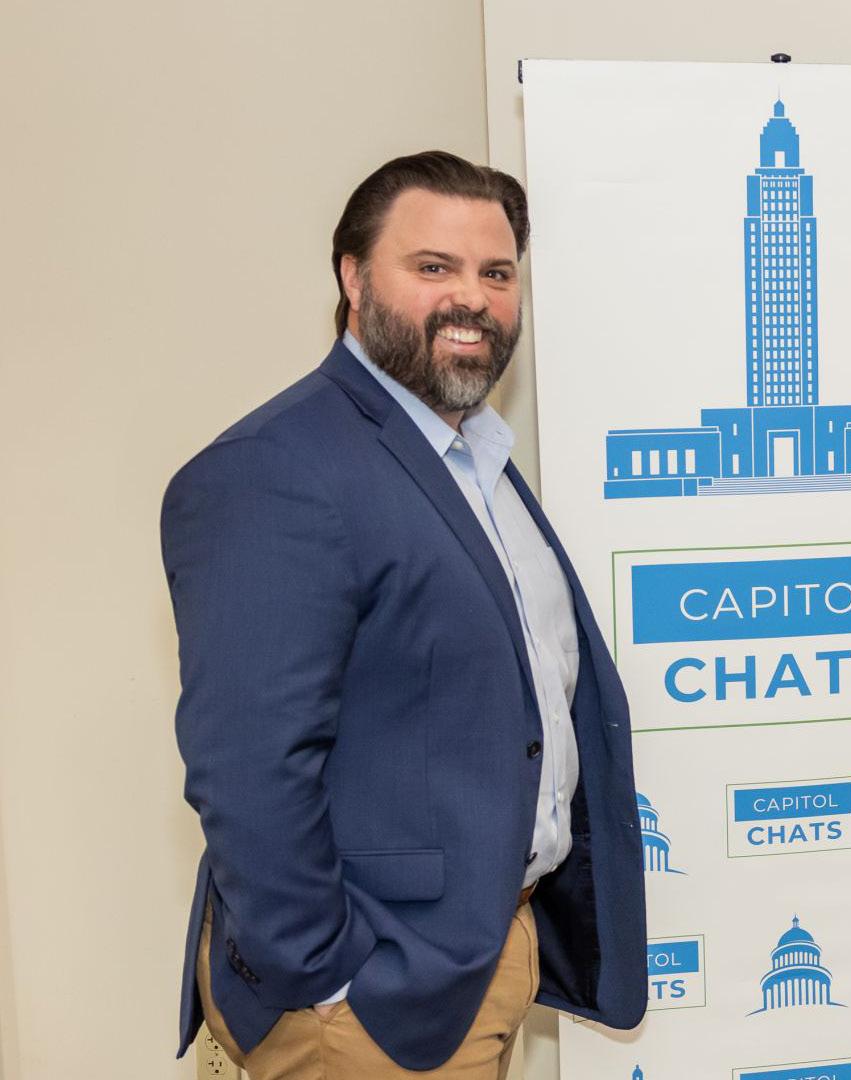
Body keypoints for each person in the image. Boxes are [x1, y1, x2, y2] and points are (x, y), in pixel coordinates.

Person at [163, 151, 646, 1077]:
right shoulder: (277, 470)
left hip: (479, 956)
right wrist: (333, 982)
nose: (472, 298)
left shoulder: (476, 460)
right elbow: (251, 766)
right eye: (433, 267)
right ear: (353, 279)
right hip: (371, 1003)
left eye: (496, 273)